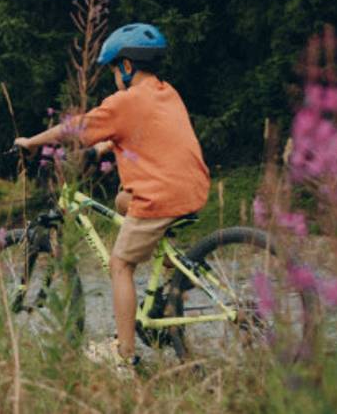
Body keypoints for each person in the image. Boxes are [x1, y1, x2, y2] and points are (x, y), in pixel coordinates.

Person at [14, 23, 209, 369]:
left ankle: (125, 356)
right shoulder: (167, 92)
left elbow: (75, 128)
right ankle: (174, 273)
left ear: (127, 66)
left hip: (160, 196)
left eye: (114, 70)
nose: (114, 78)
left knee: (121, 264)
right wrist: (106, 145)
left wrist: (32, 142)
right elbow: (142, 128)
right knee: (122, 201)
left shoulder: (125, 100)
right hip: (191, 187)